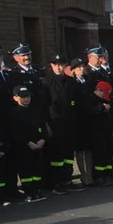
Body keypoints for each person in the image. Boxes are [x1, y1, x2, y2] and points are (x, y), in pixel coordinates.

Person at [43, 54, 80, 194]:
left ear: (65, 66)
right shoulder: (46, 83)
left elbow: (75, 101)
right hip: (54, 123)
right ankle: (56, 182)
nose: (58, 67)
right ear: (51, 66)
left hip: (69, 122)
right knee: (57, 154)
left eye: (61, 64)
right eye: (55, 64)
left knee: (68, 153)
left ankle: (67, 179)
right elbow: (43, 105)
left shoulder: (70, 82)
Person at [9, 84, 48, 202]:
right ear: (15, 98)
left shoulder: (35, 111)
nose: (26, 99)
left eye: (28, 96)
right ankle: (29, 191)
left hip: (38, 144)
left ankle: (37, 189)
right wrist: (28, 142)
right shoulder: (14, 113)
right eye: (23, 96)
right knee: (26, 170)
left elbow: (42, 126)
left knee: (37, 168)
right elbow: (16, 130)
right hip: (24, 146)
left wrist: (43, 139)